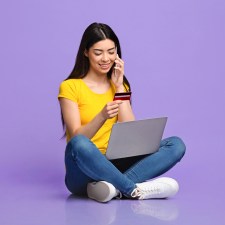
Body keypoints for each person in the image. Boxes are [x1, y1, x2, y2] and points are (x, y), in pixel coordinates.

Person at [58, 22, 186, 203]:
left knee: (176, 144)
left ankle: (112, 189)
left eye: (111, 52)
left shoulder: (120, 85)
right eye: (98, 52)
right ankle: (133, 190)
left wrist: (119, 87)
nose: (105, 58)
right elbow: (77, 137)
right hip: (83, 169)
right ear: (86, 52)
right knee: (79, 143)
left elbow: (131, 133)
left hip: (115, 163)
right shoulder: (70, 86)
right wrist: (102, 116)